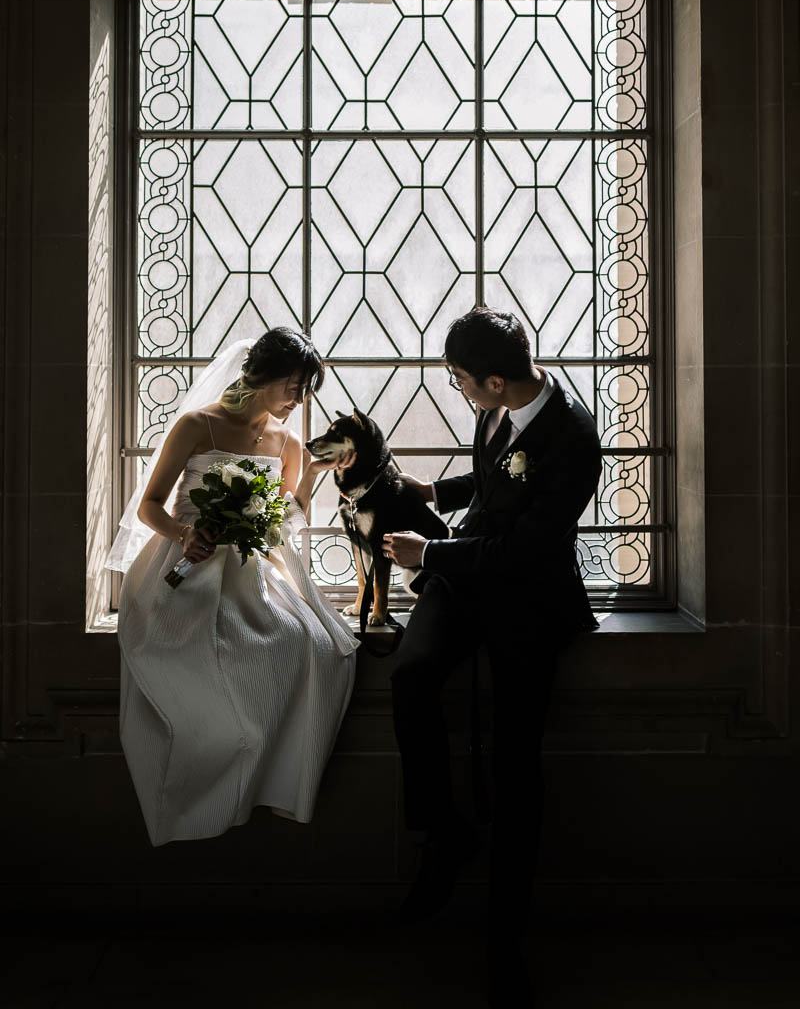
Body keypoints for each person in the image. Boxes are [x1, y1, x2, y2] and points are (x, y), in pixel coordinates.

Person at [383, 307, 602, 1008]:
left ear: (498, 381)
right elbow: (496, 478)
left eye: (461, 382)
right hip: (471, 571)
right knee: (411, 674)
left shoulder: (573, 438)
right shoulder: (504, 404)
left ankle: (505, 941)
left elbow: (529, 546)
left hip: (528, 597)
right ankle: (444, 834)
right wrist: (434, 494)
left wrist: (431, 553)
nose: (460, 391)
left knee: (516, 765)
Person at [106, 327, 359, 847]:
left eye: (307, 389)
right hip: (187, 561)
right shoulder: (197, 424)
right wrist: (185, 533)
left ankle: (272, 779)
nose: (300, 399)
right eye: (294, 385)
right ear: (263, 376)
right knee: (204, 650)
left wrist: (309, 471)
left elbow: (286, 520)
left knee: (315, 645)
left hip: (254, 564)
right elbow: (149, 504)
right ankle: (209, 779)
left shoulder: (287, 442)